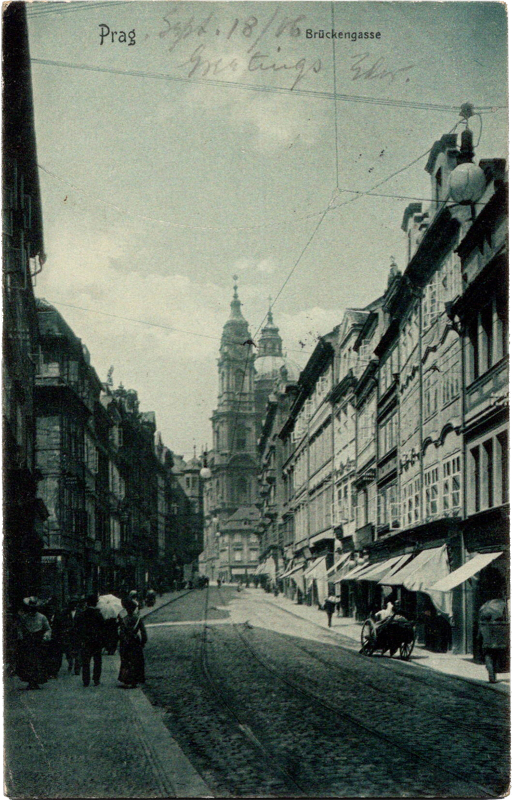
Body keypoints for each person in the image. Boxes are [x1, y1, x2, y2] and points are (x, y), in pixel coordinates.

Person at [16, 597, 51, 689]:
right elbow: (20, 628)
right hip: (28, 641)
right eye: (31, 607)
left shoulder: (42, 617)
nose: (32, 609)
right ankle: (30, 681)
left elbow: (47, 629)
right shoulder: (25, 618)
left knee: (38, 662)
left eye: (34, 608)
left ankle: (37, 680)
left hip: (38, 641)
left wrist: (45, 636)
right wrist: (21, 636)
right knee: (28, 662)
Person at [75, 594, 105, 687]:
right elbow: (103, 629)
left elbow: (78, 628)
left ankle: (86, 680)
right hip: (97, 641)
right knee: (97, 661)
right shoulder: (99, 614)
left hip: (86, 641)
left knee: (86, 662)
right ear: (96, 603)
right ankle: (96, 679)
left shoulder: (82, 614)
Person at [118, 598, 148, 688]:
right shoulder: (138, 619)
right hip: (135, 641)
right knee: (137, 661)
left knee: (126, 661)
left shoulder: (124, 620)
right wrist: (143, 642)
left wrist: (122, 642)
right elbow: (143, 632)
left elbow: (121, 633)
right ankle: (135, 679)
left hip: (126, 642)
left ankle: (126, 679)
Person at [478, 597, 509, 683]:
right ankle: (493, 676)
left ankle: (491, 677)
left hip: (486, 645)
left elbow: (478, 637)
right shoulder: (498, 624)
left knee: (489, 660)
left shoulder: (482, 625)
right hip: (497, 645)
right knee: (495, 660)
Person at [52, 597, 81, 674]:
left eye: (75, 603)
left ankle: (77, 668)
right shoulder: (64, 613)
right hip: (68, 635)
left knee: (78, 651)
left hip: (77, 635)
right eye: (72, 603)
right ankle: (70, 663)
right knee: (68, 651)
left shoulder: (80, 612)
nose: (73, 605)